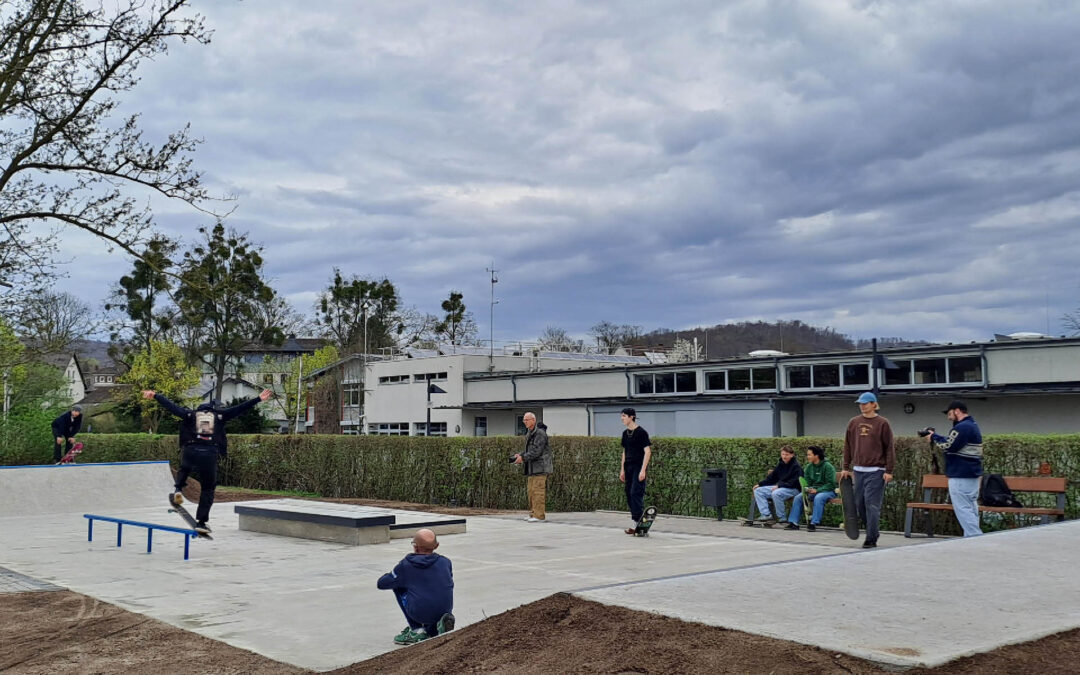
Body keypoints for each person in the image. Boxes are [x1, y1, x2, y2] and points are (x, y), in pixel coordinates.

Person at [142, 388, 272, 533]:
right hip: (209, 453)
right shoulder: (221, 415)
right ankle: (201, 522)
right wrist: (258, 399)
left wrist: (156, 395)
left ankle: (178, 489)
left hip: (190, 450)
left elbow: (172, 407)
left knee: (184, 468)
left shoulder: (190, 414)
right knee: (208, 489)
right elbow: (239, 408)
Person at [377, 528, 455, 645]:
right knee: (434, 586)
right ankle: (435, 627)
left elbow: (382, 583)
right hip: (445, 610)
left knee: (397, 586)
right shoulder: (446, 562)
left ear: (415, 546)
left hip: (420, 613)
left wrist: (394, 574)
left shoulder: (406, 565)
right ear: (436, 546)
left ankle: (417, 629)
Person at [840, 392, 895, 549]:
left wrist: (889, 470)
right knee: (860, 504)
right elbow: (848, 446)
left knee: (872, 504)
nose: (862, 406)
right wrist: (845, 467)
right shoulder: (853, 422)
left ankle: (871, 538)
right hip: (858, 470)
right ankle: (873, 531)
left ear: (873, 404)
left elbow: (889, 448)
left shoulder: (883, 423)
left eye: (865, 403)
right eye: (860, 403)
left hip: (876, 470)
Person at [929, 400, 983, 537]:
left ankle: (975, 537)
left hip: (960, 474)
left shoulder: (962, 427)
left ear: (957, 410)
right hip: (972, 474)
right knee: (971, 507)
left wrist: (933, 437)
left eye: (949, 413)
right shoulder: (972, 426)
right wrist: (936, 436)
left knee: (963, 508)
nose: (948, 416)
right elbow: (953, 441)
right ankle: (971, 537)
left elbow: (948, 445)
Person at [749, 445, 803, 528]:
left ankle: (782, 518)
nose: (784, 456)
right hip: (780, 488)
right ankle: (766, 515)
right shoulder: (780, 464)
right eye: (783, 454)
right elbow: (771, 478)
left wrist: (780, 486)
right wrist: (759, 484)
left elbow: (795, 482)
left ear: (792, 455)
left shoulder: (796, 467)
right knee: (758, 490)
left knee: (776, 493)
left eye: (787, 454)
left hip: (793, 489)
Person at [513, 412, 552, 522]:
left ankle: (539, 516)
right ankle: (533, 513)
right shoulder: (530, 432)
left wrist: (523, 458)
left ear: (533, 420)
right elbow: (529, 450)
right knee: (531, 492)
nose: (524, 422)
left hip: (540, 468)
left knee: (538, 492)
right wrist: (520, 455)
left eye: (527, 420)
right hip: (532, 469)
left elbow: (536, 451)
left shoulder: (540, 434)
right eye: (524, 420)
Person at [619, 407, 652, 535]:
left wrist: (643, 470)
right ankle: (636, 523)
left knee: (635, 493)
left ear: (631, 417)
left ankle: (640, 522)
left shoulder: (641, 432)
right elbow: (624, 452)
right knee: (628, 493)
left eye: (624, 416)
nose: (622, 418)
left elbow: (647, 451)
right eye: (621, 416)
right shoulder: (624, 433)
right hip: (628, 467)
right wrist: (622, 469)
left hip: (639, 466)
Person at [789, 445, 837, 532]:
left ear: (816, 455)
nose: (807, 457)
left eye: (809, 455)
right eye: (807, 455)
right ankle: (794, 523)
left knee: (819, 497)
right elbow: (807, 483)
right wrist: (807, 488)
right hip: (813, 491)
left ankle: (813, 523)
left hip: (828, 491)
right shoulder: (808, 467)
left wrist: (818, 490)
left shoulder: (828, 466)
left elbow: (831, 484)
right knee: (798, 497)